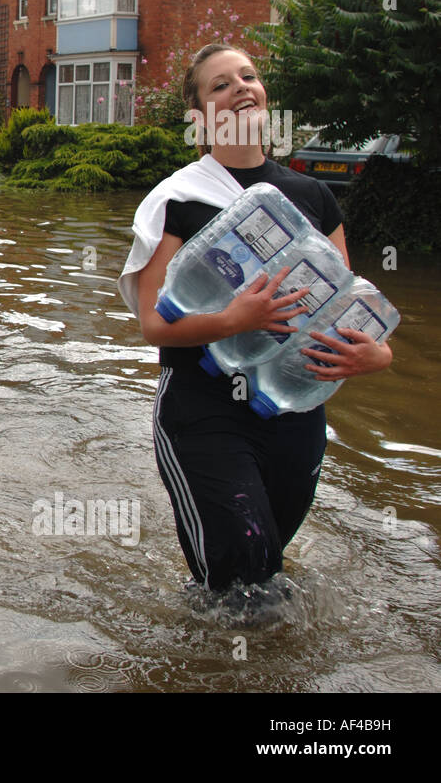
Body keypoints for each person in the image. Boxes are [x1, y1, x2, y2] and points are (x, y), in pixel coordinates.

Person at [120, 43, 393, 595]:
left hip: (294, 411)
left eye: (247, 76)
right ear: (199, 115)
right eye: (220, 85)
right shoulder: (178, 199)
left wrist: (376, 356)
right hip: (204, 410)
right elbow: (154, 324)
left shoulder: (313, 196)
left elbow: (341, 307)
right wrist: (237, 318)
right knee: (242, 576)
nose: (240, 87)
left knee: (266, 568)